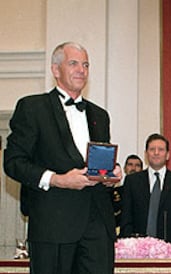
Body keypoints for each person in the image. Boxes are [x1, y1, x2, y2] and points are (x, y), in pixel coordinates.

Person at [3, 41, 122, 274]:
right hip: (53, 225)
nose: (82, 70)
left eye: (86, 64)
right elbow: (13, 163)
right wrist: (57, 179)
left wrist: (113, 172)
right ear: (56, 70)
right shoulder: (32, 108)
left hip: (98, 226)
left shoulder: (100, 115)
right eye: (74, 63)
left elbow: (96, 159)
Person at [120, 133, 171, 258]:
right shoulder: (132, 181)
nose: (156, 153)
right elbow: (126, 218)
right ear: (146, 154)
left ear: (167, 155)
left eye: (160, 149)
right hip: (137, 252)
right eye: (152, 149)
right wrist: (128, 246)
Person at [113, 154, 143, 235]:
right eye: (130, 165)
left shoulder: (146, 193)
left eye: (137, 165)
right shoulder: (115, 192)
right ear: (125, 168)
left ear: (142, 170)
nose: (133, 168)